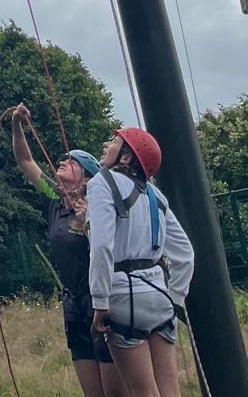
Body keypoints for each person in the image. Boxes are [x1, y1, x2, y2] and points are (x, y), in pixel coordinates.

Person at [12, 103, 125, 396]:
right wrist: (17, 125)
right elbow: (25, 160)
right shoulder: (55, 197)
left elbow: (110, 251)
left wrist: (88, 224)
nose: (62, 162)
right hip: (73, 303)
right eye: (63, 159)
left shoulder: (97, 205)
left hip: (101, 302)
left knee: (115, 393)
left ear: (86, 178)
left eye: (71, 162)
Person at [88, 128, 194, 397]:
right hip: (160, 298)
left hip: (124, 298)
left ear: (126, 157)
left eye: (114, 141)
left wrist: (100, 301)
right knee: (170, 393)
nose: (106, 144)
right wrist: (176, 299)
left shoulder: (102, 183)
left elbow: (101, 246)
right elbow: (185, 254)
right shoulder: (156, 196)